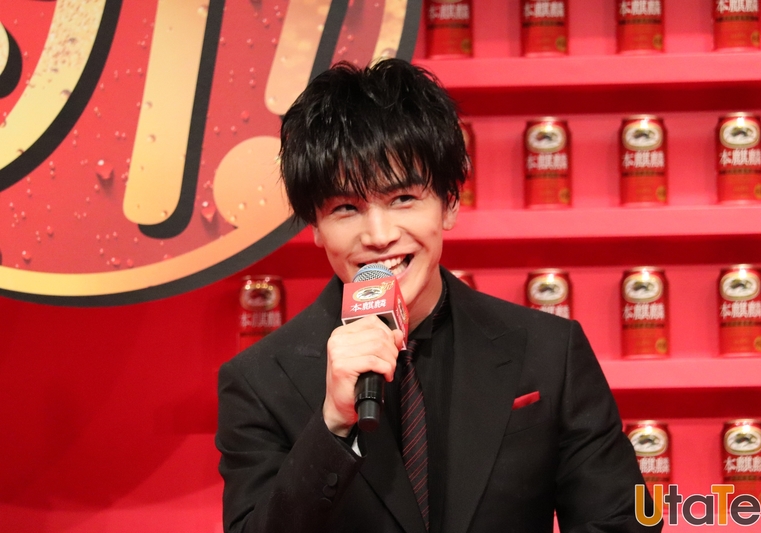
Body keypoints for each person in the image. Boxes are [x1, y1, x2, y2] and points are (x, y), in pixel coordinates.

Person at [216, 58, 658, 533]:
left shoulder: (550, 352)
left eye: (402, 199)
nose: (380, 236)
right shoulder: (259, 381)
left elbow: (623, 523)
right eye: (346, 208)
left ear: (449, 203)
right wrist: (332, 427)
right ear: (317, 227)